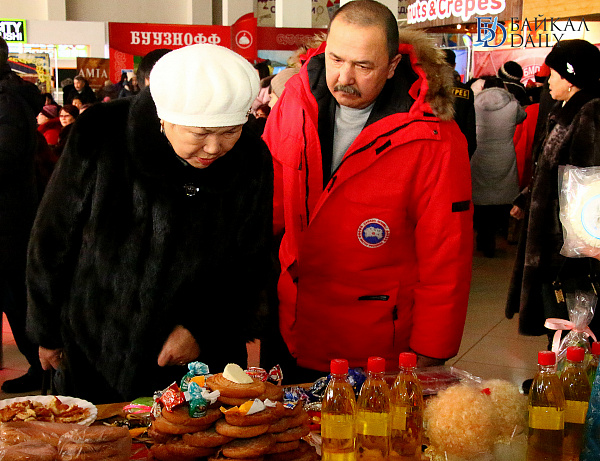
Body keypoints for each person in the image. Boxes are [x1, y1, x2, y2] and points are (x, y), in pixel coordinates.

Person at [26, 43, 273, 403]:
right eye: (200, 134)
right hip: (99, 347)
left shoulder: (250, 158)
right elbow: (53, 236)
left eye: (230, 132)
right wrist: (46, 331)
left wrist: (201, 328)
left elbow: (252, 260)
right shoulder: (102, 133)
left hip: (201, 364)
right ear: (164, 117)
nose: (215, 147)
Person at [262, 0, 473, 381]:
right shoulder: (294, 102)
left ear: (392, 66)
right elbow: (266, 208)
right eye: (335, 59)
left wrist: (433, 348)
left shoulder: (434, 137)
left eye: (363, 66)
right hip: (292, 325)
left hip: (375, 346)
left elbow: (446, 252)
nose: (344, 77)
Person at [506, 39, 600, 341]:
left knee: (574, 324)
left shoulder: (588, 112)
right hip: (554, 240)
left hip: (568, 248)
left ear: (571, 78)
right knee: (557, 319)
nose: (548, 81)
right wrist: (526, 198)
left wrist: (581, 246)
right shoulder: (565, 110)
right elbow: (551, 171)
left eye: (554, 73)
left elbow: (588, 186)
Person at [0, 36, 45, 393]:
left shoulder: (8, 101)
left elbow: (7, 158)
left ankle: (43, 367)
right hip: (10, 217)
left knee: (18, 300)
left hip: (9, 221)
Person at [471, 76, 526, 257]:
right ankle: (493, 237)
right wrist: (511, 97)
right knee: (499, 200)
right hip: (504, 157)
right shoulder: (512, 105)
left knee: (480, 199)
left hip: (479, 156)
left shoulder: (474, 103)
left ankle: (482, 237)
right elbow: (522, 116)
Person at [444, 49, 477, 158]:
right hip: (459, 145)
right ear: (454, 65)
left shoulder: (429, 88)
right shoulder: (466, 90)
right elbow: (470, 125)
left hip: (437, 146)